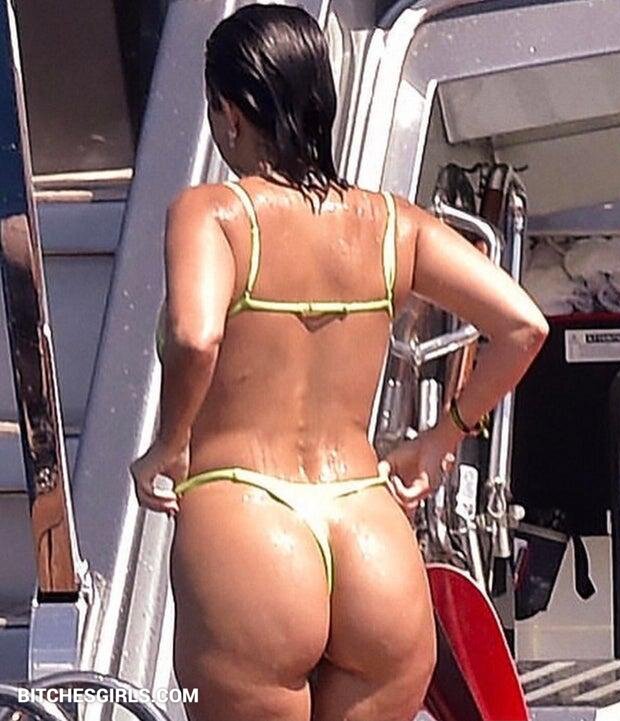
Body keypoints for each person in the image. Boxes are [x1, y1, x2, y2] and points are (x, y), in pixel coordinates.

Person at [129, 5, 549, 721]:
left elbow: (196, 337)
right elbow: (523, 325)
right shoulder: (394, 224)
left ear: (229, 112)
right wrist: (442, 437)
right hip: (369, 529)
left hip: (248, 521)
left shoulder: (214, 213)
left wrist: (167, 447)